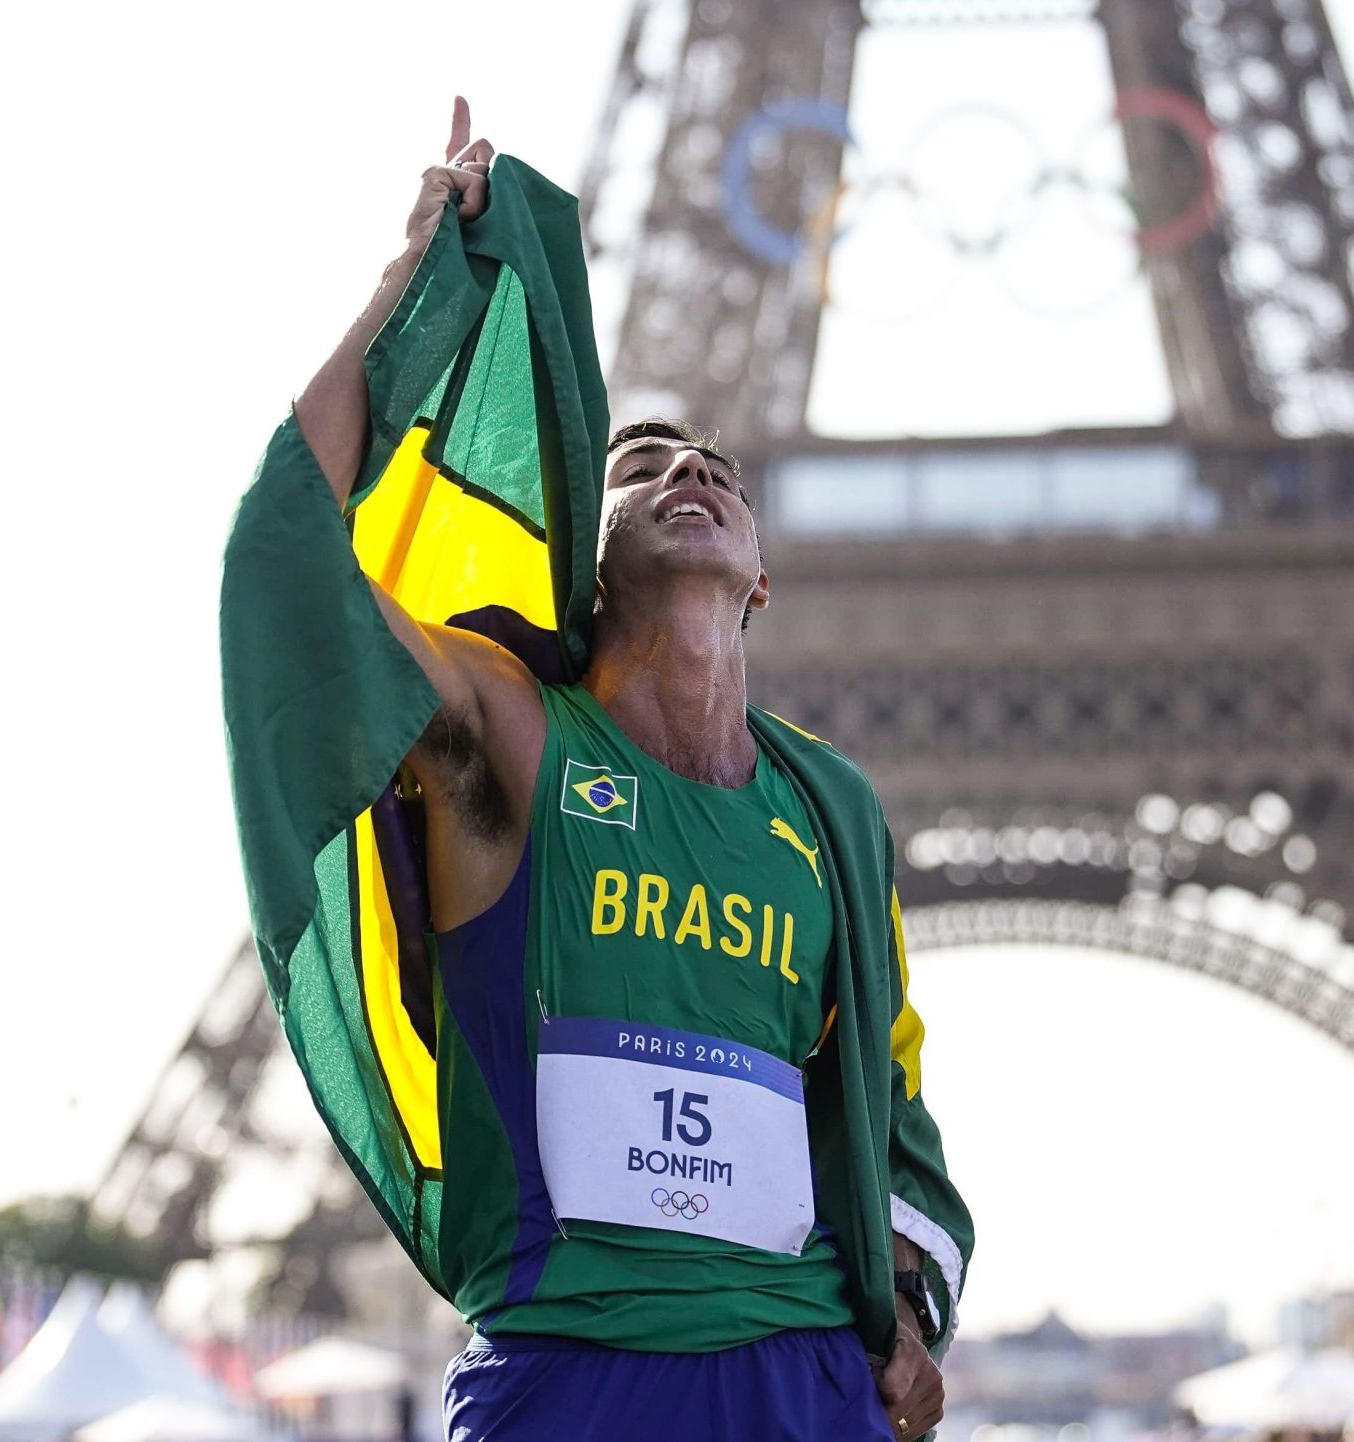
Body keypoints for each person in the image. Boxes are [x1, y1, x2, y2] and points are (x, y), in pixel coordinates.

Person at [223, 99, 972, 1440]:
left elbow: (886, 1089)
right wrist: (411, 291)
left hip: (798, 1368)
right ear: (587, 557)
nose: (689, 466)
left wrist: (910, 1303)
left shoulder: (831, 812)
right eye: (640, 468)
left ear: (761, 580)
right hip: (575, 1366)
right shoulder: (509, 735)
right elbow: (294, 556)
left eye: (719, 472)